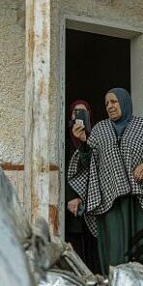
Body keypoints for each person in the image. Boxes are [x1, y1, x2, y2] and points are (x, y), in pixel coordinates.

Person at [67, 88, 143, 275]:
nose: (110, 106)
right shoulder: (99, 129)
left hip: (138, 203)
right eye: (106, 104)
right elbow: (88, 164)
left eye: (114, 102)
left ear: (125, 102)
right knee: (115, 252)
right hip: (109, 204)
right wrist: (83, 143)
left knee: (142, 251)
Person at [64, 99, 100, 272]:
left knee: (92, 247)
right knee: (75, 246)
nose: (78, 116)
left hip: (92, 201)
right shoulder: (64, 142)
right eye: (75, 113)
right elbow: (63, 172)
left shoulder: (95, 140)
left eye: (83, 112)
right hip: (72, 206)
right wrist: (71, 196)